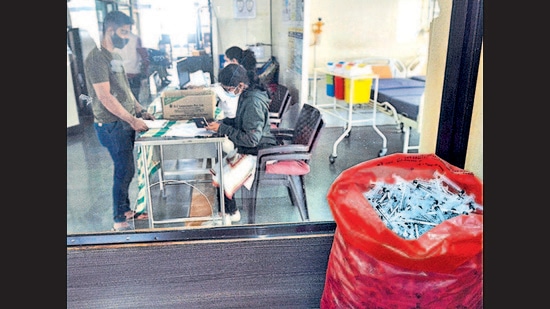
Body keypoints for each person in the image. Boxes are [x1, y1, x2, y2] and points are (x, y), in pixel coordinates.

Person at [84, 11, 155, 231]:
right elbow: (105, 96)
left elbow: (124, 89)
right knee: (123, 169)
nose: (127, 37)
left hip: (123, 121)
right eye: (124, 32)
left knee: (127, 168)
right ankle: (118, 218)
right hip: (111, 124)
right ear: (110, 29)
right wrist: (131, 119)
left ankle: (124, 209)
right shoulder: (97, 57)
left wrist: (140, 110)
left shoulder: (114, 55)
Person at [206, 64, 276, 225]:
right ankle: (231, 212)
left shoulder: (253, 102)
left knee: (224, 178)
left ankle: (226, 217)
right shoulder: (247, 94)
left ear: (241, 85)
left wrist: (223, 128)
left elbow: (252, 139)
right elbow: (242, 123)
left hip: (259, 152)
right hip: (250, 148)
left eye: (228, 88)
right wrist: (222, 123)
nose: (227, 92)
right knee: (218, 171)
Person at [113, 31, 150, 102]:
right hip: (133, 73)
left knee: (122, 100)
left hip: (118, 73)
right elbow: (144, 55)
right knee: (135, 99)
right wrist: (145, 70)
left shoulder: (112, 38)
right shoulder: (135, 38)